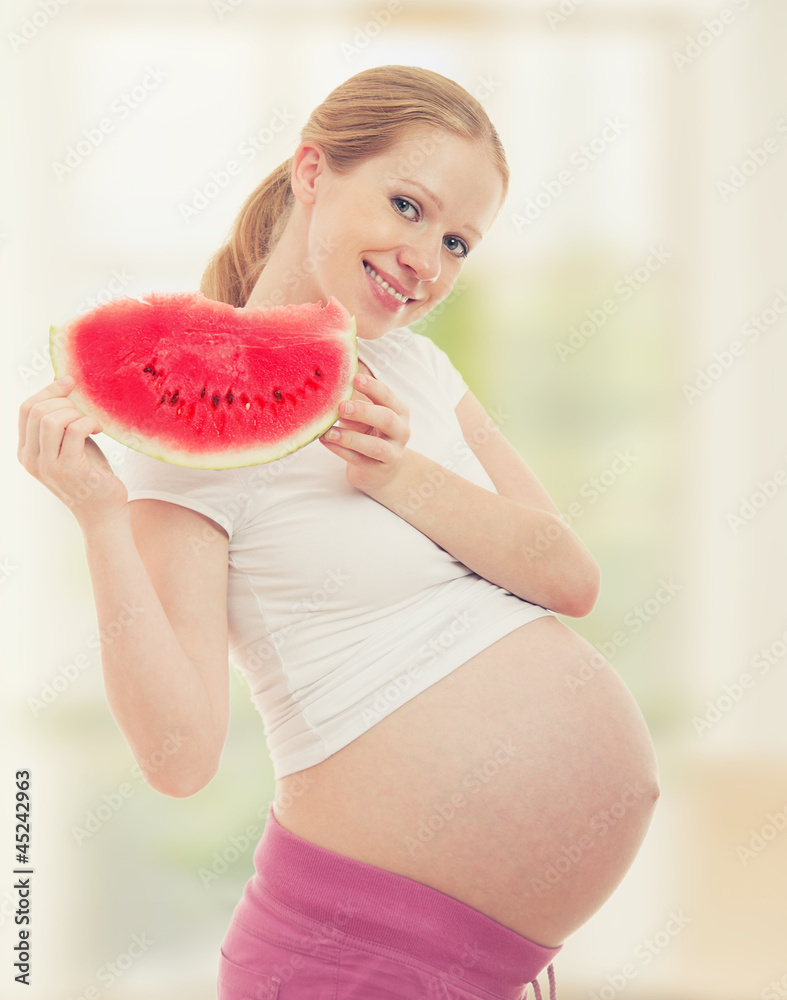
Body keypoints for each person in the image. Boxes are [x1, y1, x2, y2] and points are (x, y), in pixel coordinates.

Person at [18, 65, 660, 1000]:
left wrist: (398, 474)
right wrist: (99, 519)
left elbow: (567, 577)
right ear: (313, 171)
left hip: (490, 968)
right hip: (352, 957)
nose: (426, 260)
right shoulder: (198, 420)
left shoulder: (423, 371)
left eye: (456, 242)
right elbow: (179, 758)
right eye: (406, 205)